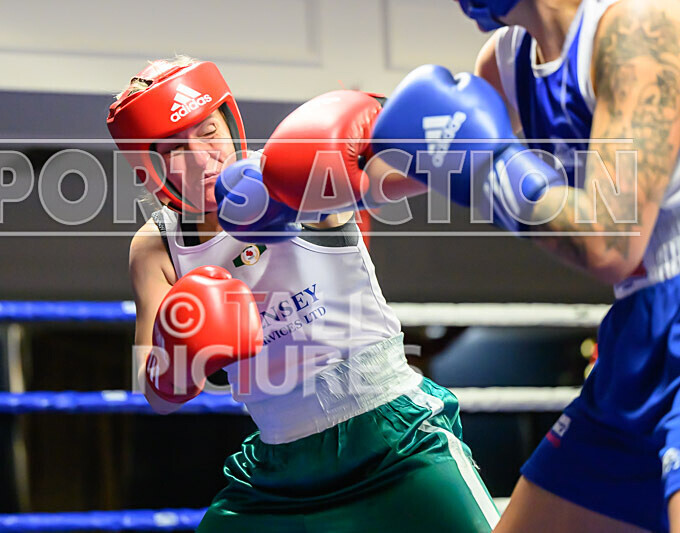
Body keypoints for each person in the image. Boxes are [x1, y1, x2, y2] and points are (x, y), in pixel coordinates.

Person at [106, 56, 499, 532]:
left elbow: (397, 178)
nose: (202, 157)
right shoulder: (156, 247)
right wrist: (182, 356)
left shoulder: (291, 173)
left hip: (395, 439)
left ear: (230, 124)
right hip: (279, 469)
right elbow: (155, 392)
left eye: (208, 133)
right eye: (174, 149)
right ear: (148, 166)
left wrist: (450, 146)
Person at [371, 0, 680, 530]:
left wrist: (492, 166)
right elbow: (400, 169)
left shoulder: (637, 29)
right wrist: (282, 182)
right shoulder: (508, 59)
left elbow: (610, 243)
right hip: (637, 334)